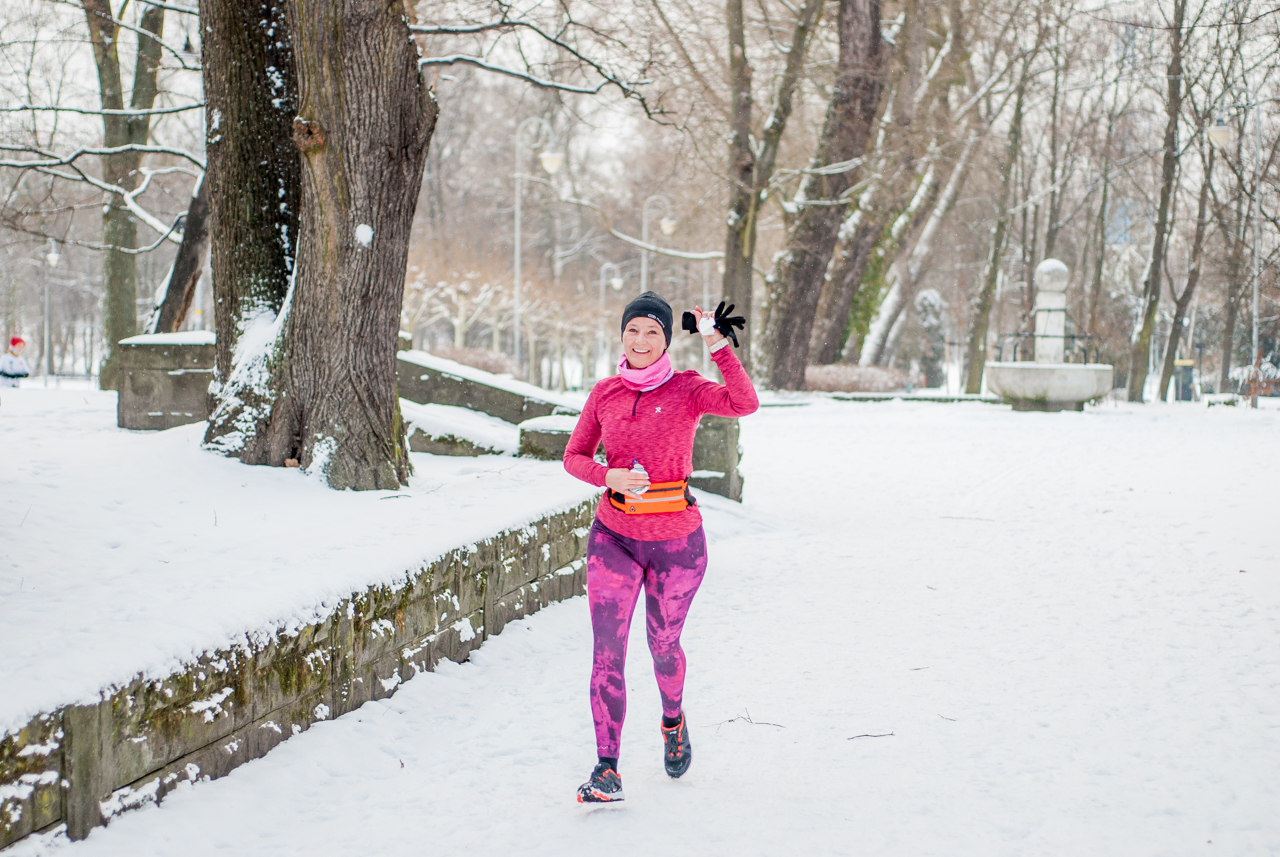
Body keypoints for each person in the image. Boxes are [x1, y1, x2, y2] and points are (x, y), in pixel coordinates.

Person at [562, 291, 758, 803]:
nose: (641, 340)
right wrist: (610, 476)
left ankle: (673, 720)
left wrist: (716, 344)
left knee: (663, 648)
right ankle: (607, 769)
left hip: (677, 546)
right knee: (608, 652)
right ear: (622, 335)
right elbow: (573, 456)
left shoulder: (689, 389)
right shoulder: (605, 393)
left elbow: (745, 402)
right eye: (633, 331)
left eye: (652, 332)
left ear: (667, 339)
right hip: (614, 537)